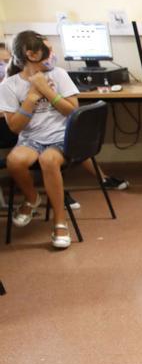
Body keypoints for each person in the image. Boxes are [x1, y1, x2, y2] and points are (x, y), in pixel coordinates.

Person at [0, 31, 82, 249]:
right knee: (14, 161)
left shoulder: (60, 75)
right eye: (47, 50)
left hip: (60, 138)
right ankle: (33, 198)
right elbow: (15, 127)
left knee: (49, 161)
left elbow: (73, 112)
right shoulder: (9, 86)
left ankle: (60, 221)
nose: (52, 54)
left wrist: (47, 91)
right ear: (31, 54)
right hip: (31, 139)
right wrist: (32, 97)